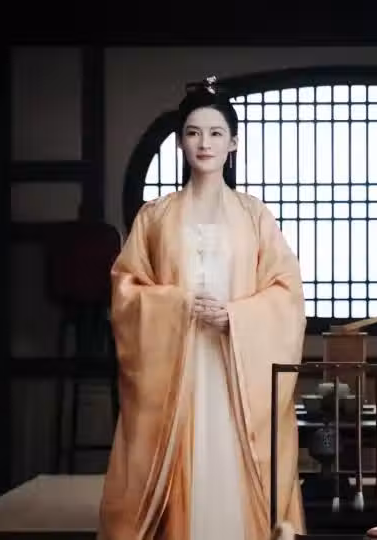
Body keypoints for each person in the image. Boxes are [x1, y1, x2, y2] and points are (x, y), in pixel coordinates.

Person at [98, 77, 306, 540]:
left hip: (237, 368)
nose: (204, 143)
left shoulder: (254, 215)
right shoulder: (154, 216)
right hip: (175, 368)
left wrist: (236, 316)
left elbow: (286, 293)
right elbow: (126, 290)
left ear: (234, 143)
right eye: (193, 133)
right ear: (180, 142)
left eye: (215, 133)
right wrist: (175, 306)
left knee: (232, 463)